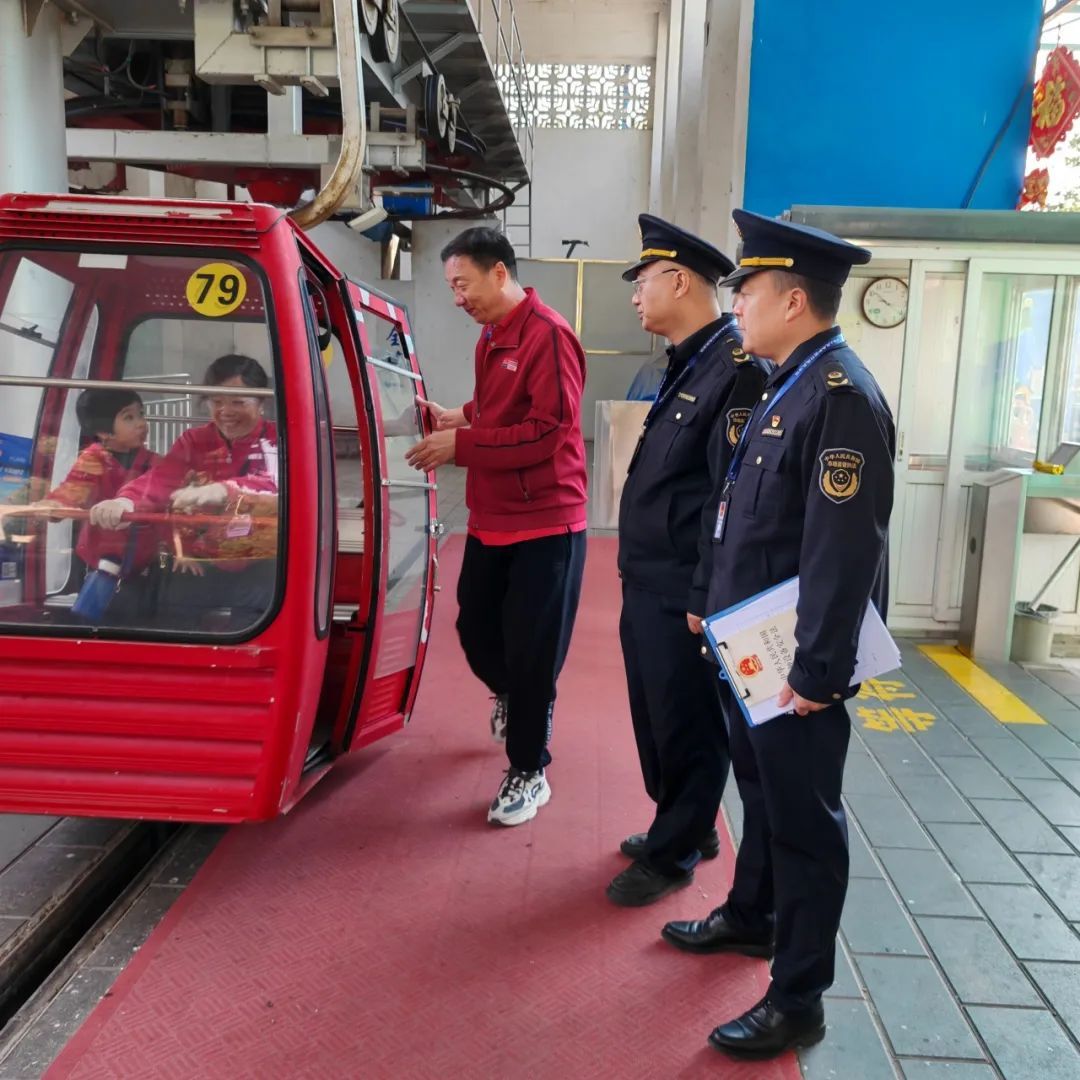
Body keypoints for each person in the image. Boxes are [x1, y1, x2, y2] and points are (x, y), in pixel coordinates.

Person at [660, 210, 895, 1059]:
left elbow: (843, 549)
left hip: (796, 668)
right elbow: (745, 516)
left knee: (804, 825)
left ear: (794, 300)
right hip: (751, 648)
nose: (738, 305)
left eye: (749, 290)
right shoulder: (787, 383)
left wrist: (821, 673)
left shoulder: (840, 397)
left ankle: (799, 997)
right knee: (760, 799)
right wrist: (711, 599)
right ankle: (752, 914)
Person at [608, 214, 767, 907]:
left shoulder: (735, 371)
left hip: (683, 587)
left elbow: (728, 498)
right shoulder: (688, 362)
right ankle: (686, 822)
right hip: (648, 577)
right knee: (655, 715)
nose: (635, 296)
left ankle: (674, 852)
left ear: (677, 281)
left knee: (686, 721)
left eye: (642, 281)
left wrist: (705, 592)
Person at [405, 227, 587, 827]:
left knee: (533, 652)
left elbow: (548, 429)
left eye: (463, 284)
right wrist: (459, 416)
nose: (458, 298)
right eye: (452, 287)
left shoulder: (548, 335)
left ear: (500, 273)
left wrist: (460, 446)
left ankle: (529, 769)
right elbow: (502, 405)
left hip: (545, 522)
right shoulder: (492, 335)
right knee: (476, 629)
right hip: (492, 517)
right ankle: (519, 697)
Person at [90, 354, 279, 632]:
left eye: (238, 402)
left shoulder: (276, 440)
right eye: (217, 402)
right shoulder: (195, 441)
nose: (225, 411)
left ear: (261, 402)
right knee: (168, 606)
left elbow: (275, 484)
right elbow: (160, 480)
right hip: (201, 561)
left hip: (263, 564)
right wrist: (125, 501)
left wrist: (222, 490)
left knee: (259, 622)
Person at [27, 388, 160, 620]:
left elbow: (169, 487)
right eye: (129, 417)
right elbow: (73, 489)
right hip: (100, 562)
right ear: (103, 431)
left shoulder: (154, 461)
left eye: (141, 414)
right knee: (99, 619)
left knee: (142, 619)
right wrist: (54, 506)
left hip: (144, 561)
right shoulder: (94, 459)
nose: (141, 423)